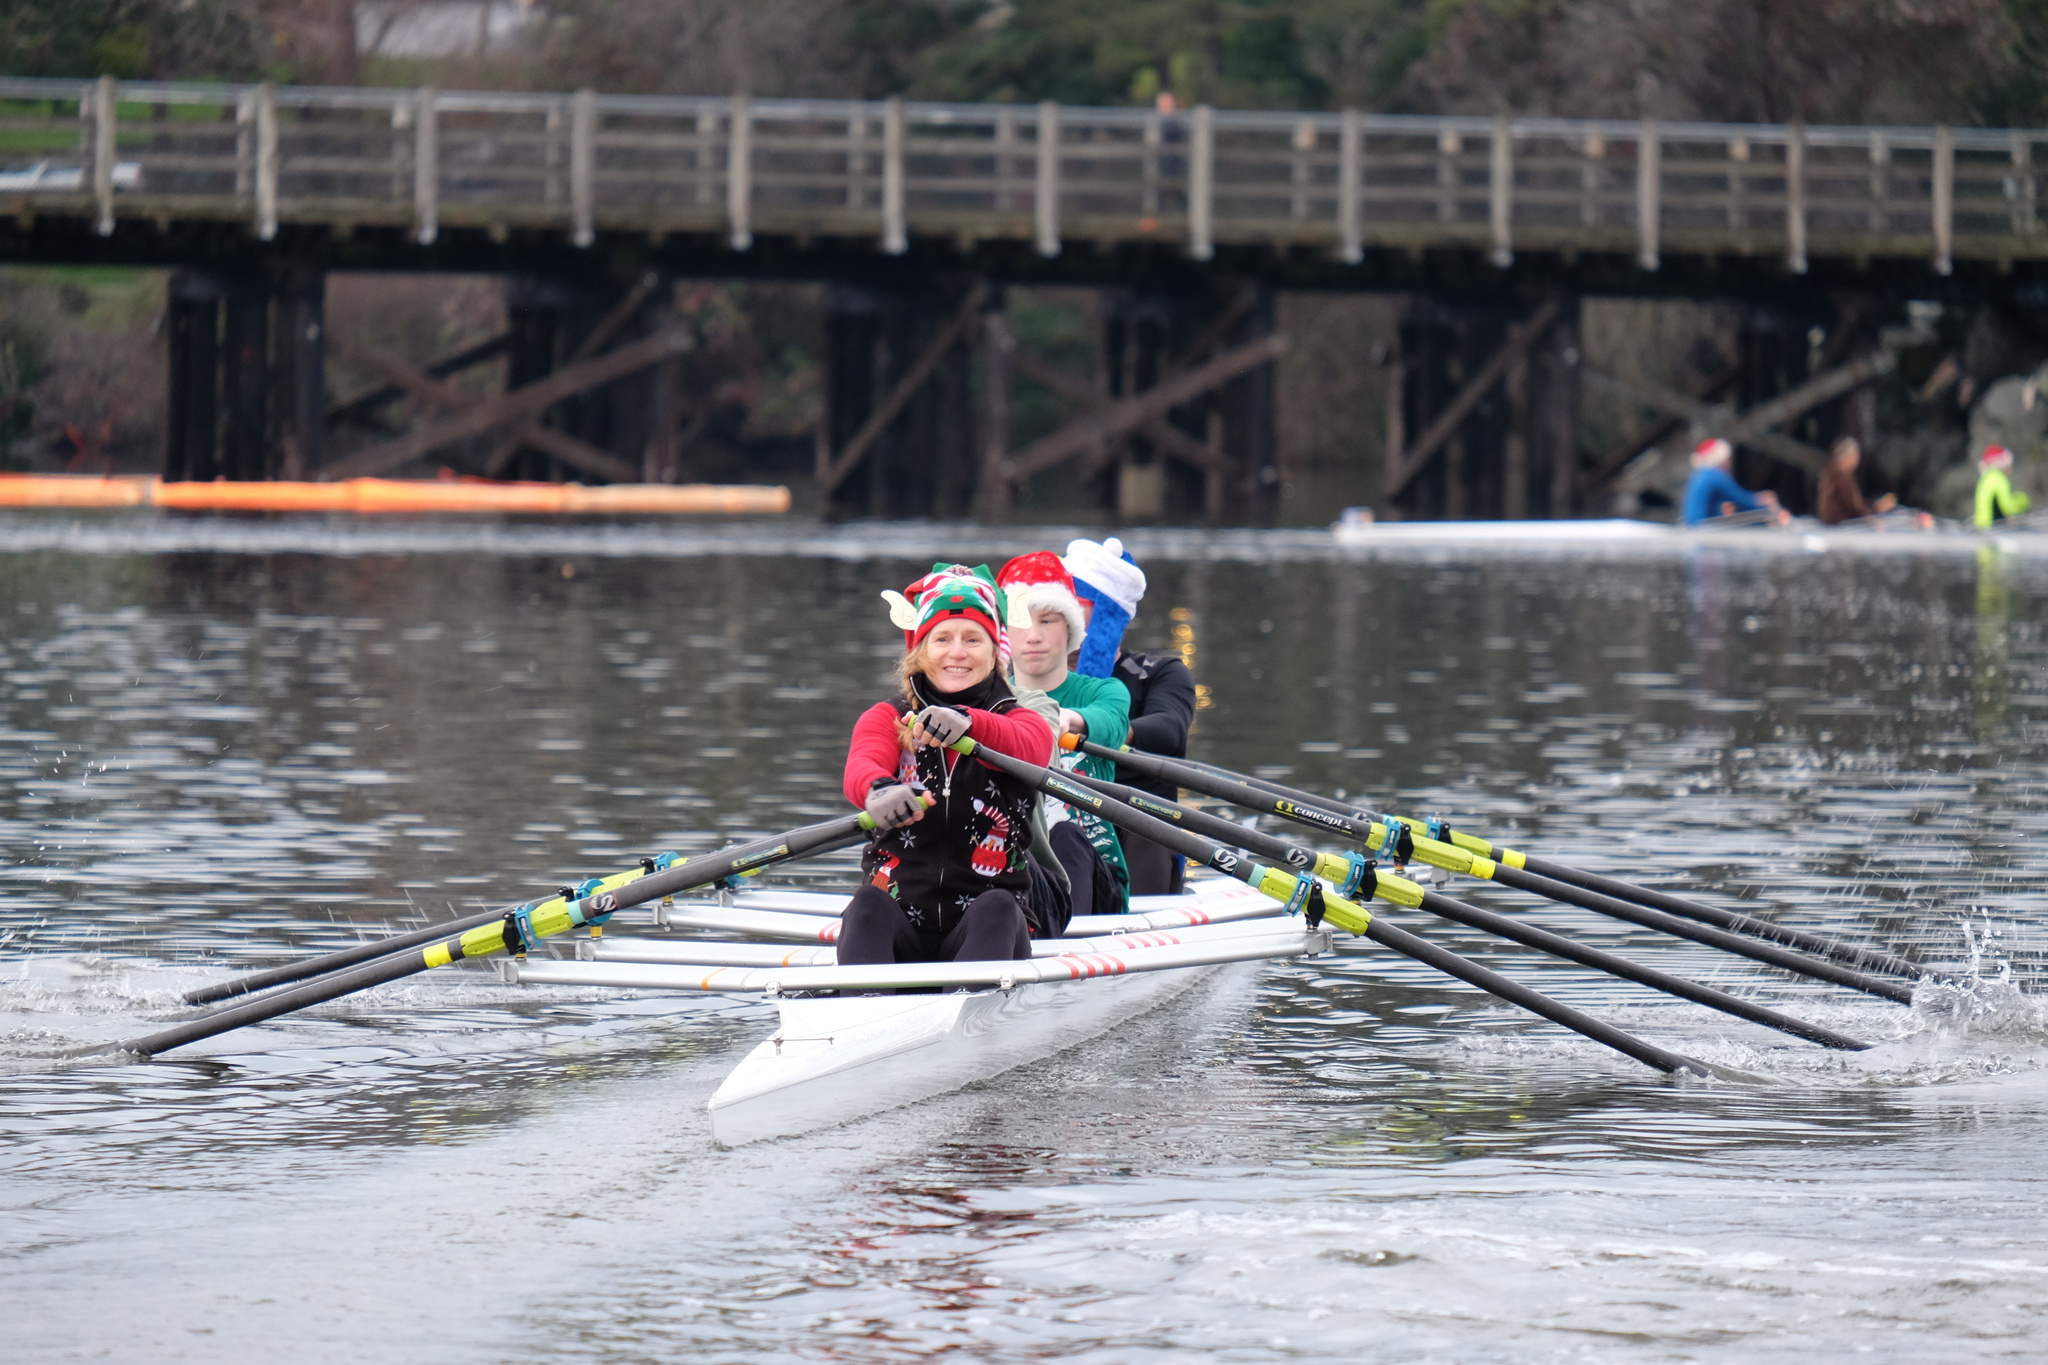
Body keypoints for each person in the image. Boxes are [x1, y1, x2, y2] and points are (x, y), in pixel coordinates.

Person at [836, 564, 1055, 966]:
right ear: (920, 653)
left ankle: (972, 1015)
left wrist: (970, 722)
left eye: (973, 639)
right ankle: (862, 1009)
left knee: (998, 908)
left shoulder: (1023, 721)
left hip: (987, 926)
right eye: (942, 639)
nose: (957, 652)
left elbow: (1032, 749)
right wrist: (878, 790)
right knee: (866, 905)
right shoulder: (887, 717)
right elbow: (862, 765)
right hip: (900, 922)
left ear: (995, 655)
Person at [996, 552, 1131, 919]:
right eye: (1021, 622)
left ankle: (1064, 957)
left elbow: (1111, 722)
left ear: (1070, 628)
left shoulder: (1105, 692)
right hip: (1012, 870)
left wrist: (1065, 719)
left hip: (1095, 881)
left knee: (1066, 833)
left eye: (1048, 620)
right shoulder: (988, 702)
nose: (1034, 636)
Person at [1063, 537, 1197, 897]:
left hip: (1139, 824)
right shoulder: (1025, 680)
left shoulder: (1159, 672)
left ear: (1105, 612)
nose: (1061, 615)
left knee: (1145, 827)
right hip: (1061, 823)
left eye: (1075, 604)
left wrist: (1094, 727)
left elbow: (1169, 729)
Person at [1681, 438, 1783, 526]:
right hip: (1702, 529)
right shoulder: (1714, 476)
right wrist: (1765, 501)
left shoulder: (1701, 475)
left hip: (1694, 525)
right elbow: (1741, 499)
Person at [1816, 437, 1897, 525]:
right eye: (1856, 457)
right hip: (1841, 526)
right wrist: (1876, 508)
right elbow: (1854, 508)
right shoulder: (1840, 477)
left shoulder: (1830, 473)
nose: (1857, 461)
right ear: (1848, 457)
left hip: (1832, 523)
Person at [1975, 444, 2033, 529]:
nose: (2011, 468)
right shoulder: (1999, 479)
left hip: (1981, 529)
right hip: (1994, 530)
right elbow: (2008, 507)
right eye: (2009, 465)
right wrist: (2023, 502)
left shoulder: (1985, 478)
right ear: (2002, 465)